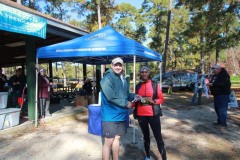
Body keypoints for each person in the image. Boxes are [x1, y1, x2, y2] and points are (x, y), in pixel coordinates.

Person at [100, 57, 140, 160]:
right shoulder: (107, 79)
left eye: (120, 65)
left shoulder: (122, 78)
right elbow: (111, 96)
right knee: (108, 141)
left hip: (121, 115)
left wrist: (134, 96)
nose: (118, 67)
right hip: (110, 116)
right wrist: (127, 104)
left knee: (117, 138)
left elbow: (126, 94)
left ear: (122, 66)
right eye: (116, 65)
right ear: (112, 65)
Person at [133, 65, 166, 160]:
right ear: (140, 73)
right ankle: (147, 156)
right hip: (141, 115)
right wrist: (130, 105)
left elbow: (161, 99)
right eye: (142, 72)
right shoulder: (138, 85)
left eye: (146, 71)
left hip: (153, 114)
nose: (144, 73)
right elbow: (136, 100)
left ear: (149, 73)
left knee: (158, 137)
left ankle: (164, 158)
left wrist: (154, 101)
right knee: (145, 137)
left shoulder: (155, 84)